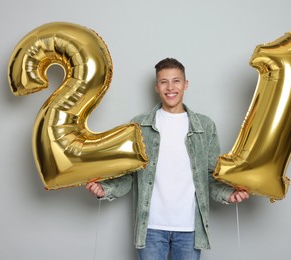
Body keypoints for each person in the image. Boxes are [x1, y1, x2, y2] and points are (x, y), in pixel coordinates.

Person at [86, 58, 249, 260]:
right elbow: (129, 175)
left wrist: (228, 194)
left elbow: (210, 175)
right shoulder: (138, 126)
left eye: (176, 81)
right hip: (151, 227)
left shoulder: (205, 126)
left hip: (189, 229)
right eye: (164, 82)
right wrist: (106, 189)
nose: (170, 87)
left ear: (185, 84)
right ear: (156, 87)